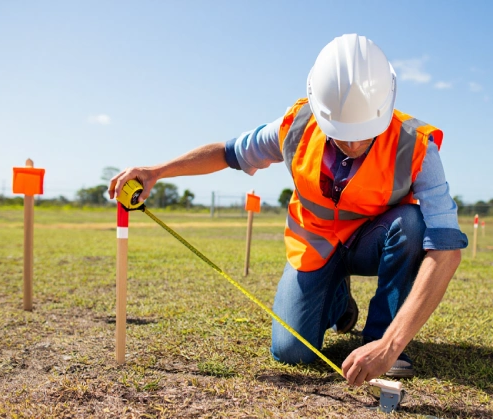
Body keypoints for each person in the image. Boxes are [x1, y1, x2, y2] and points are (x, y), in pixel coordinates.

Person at [109, 34, 467, 387]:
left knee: (413, 224)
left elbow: (447, 251)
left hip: (373, 242)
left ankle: (379, 336)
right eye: (342, 132)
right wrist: (157, 171)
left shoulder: (417, 146)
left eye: (364, 132)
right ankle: (337, 298)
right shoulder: (297, 125)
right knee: (291, 352)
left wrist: (390, 345)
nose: (354, 143)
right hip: (314, 245)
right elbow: (228, 152)